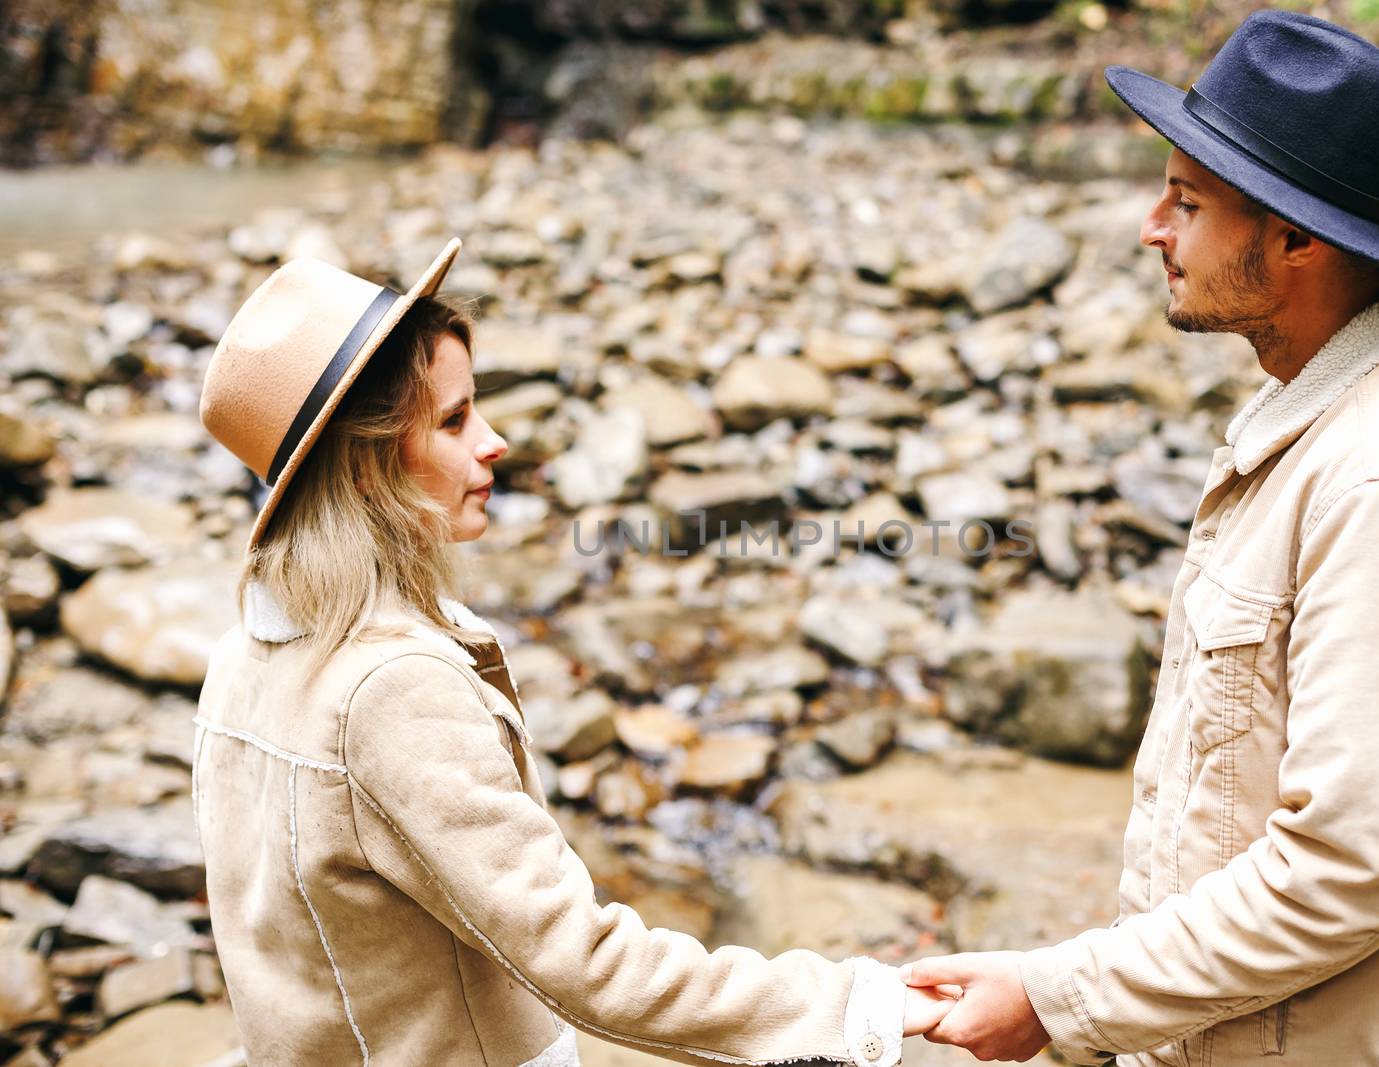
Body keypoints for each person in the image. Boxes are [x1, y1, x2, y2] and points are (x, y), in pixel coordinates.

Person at [900, 11, 1379, 1067]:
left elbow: (1345, 869)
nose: (1149, 226)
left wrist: (1058, 996)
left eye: (1188, 201)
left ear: (1298, 241)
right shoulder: (1322, 420)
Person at [192, 239, 952, 1066]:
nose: (496, 441)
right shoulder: (389, 688)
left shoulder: (243, 657)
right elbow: (583, 960)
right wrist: (857, 1001)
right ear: (367, 467)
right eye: (453, 420)